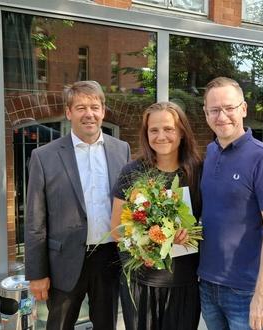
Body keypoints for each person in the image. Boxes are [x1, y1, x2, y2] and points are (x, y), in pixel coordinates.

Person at [25, 80, 131, 329]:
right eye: (81, 107)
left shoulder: (122, 150)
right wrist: (37, 273)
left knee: (106, 324)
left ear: (103, 111)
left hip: (108, 258)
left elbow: (128, 205)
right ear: (68, 112)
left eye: (94, 107)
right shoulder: (44, 156)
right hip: (64, 261)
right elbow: (35, 220)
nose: (89, 114)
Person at [197, 77, 263, 330]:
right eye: (214, 110)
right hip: (207, 284)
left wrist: (262, 294)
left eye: (229, 108)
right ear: (205, 114)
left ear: (244, 109)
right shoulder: (210, 152)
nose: (222, 116)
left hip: (246, 291)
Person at [110, 101, 202, 330]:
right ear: (146, 134)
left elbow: (210, 222)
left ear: (181, 132)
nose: (161, 136)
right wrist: (143, 249)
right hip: (142, 283)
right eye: (154, 130)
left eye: (169, 128)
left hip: (184, 283)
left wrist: (189, 234)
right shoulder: (132, 172)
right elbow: (116, 230)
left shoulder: (198, 172)